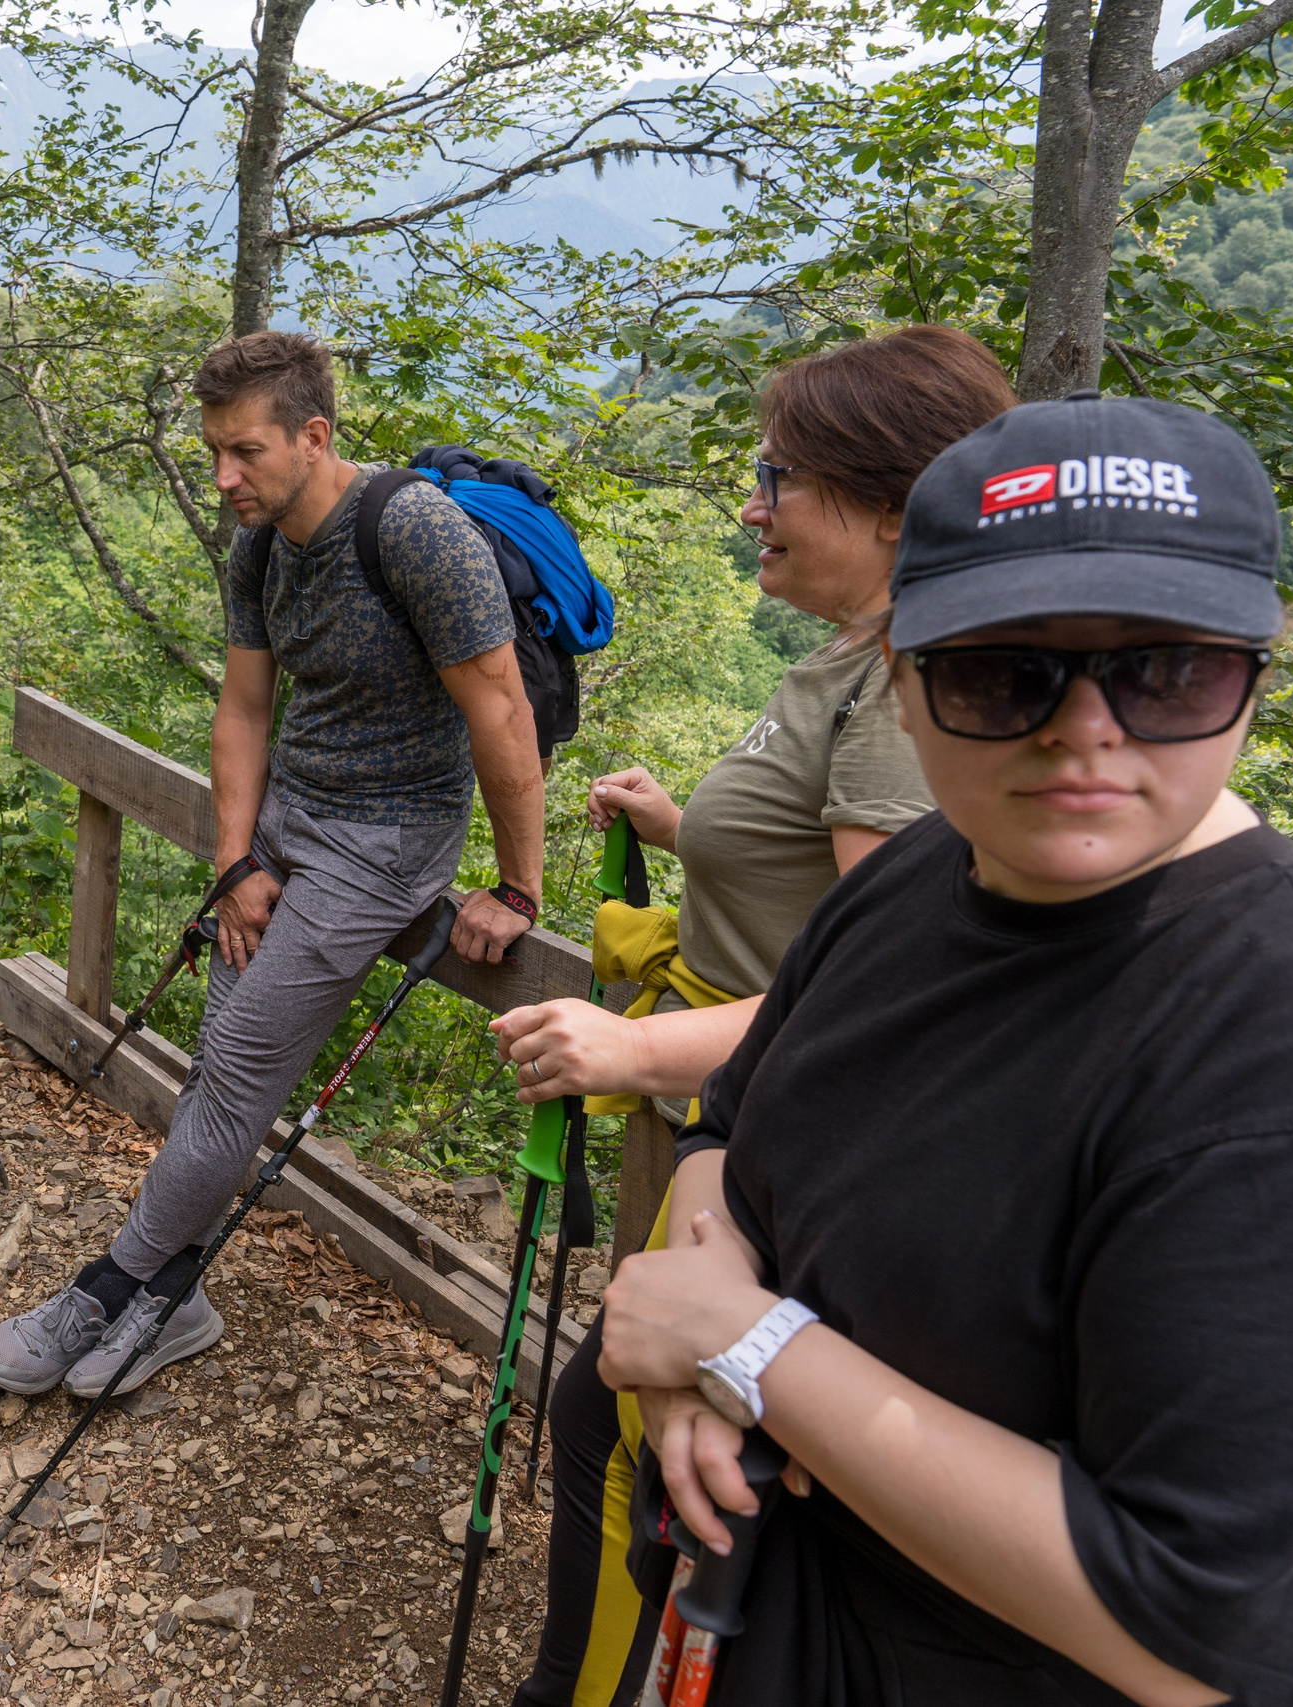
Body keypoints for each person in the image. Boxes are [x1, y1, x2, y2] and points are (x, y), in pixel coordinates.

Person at [594, 394, 1293, 1704]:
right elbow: (732, 1128)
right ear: (898, 676)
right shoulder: (919, 879)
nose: (1086, 728)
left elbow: (1202, 1632)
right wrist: (698, 1330)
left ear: (1252, 674)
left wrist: (749, 1351)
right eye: (1002, 672)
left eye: (1168, 669)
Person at [490, 325, 1016, 1706]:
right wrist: (687, 828)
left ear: (894, 507)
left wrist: (633, 1045)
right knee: (621, 1417)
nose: (752, 507)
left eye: (781, 479)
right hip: (742, 1132)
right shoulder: (864, 660)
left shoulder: (909, 698)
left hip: (795, 1147)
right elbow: (833, 903)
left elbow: (881, 985)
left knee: (632, 1438)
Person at [0, 329, 560, 1400]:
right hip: (290, 819)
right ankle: (176, 1296)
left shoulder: (417, 535)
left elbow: (501, 710)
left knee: (237, 1068)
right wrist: (237, 857)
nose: (222, 478)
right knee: (221, 1075)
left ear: (315, 435)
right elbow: (244, 711)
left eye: (243, 451)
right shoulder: (260, 547)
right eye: (212, 451)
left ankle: (108, 1289)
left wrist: (518, 883)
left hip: (390, 840)